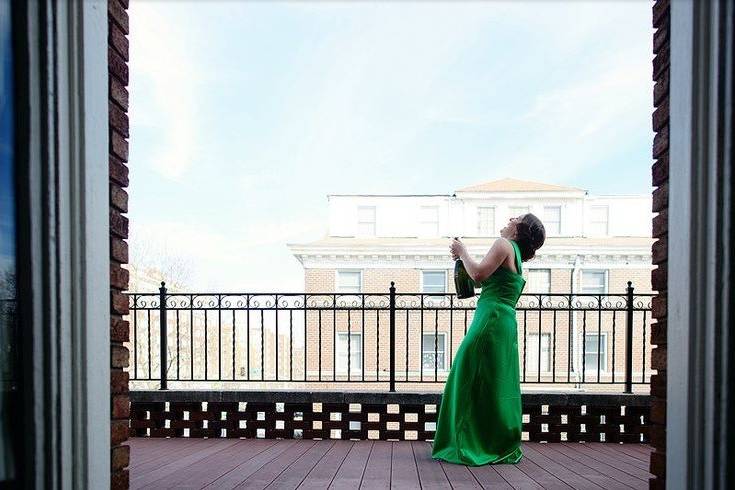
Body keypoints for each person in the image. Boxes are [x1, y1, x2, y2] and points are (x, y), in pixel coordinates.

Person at [431, 213, 546, 466]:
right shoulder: (515, 254)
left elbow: (479, 275)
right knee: (495, 384)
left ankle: (464, 443)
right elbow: (490, 282)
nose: (510, 218)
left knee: (467, 375)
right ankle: (494, 441)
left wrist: (462, 252)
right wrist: (465, 264)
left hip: (490, 320)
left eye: (516, 217)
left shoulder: (503, 244)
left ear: (519, 229)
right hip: (504, 322)